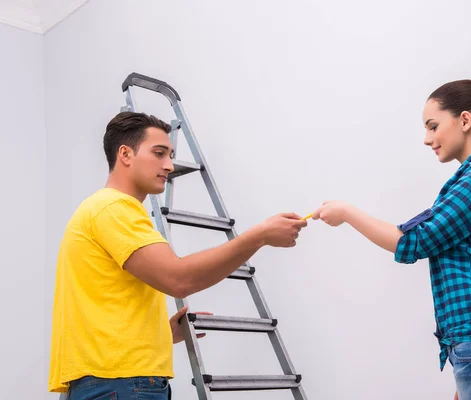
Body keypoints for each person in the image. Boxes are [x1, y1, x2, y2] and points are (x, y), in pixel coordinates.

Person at [310, 80, 471, 399]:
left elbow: (412, 242)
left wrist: (347, 212)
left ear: (465, 120)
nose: (427, 139)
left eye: (433, 126)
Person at [48, 111, 308, 399]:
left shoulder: (100, 209)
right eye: (159, 153)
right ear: (125, 154)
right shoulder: (114, 208)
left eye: (170, 155)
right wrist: (259, 236)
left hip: (113, 380)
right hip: (121, 383)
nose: (169, 165)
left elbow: (102, 302)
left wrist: (159, 334)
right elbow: (178, 279)